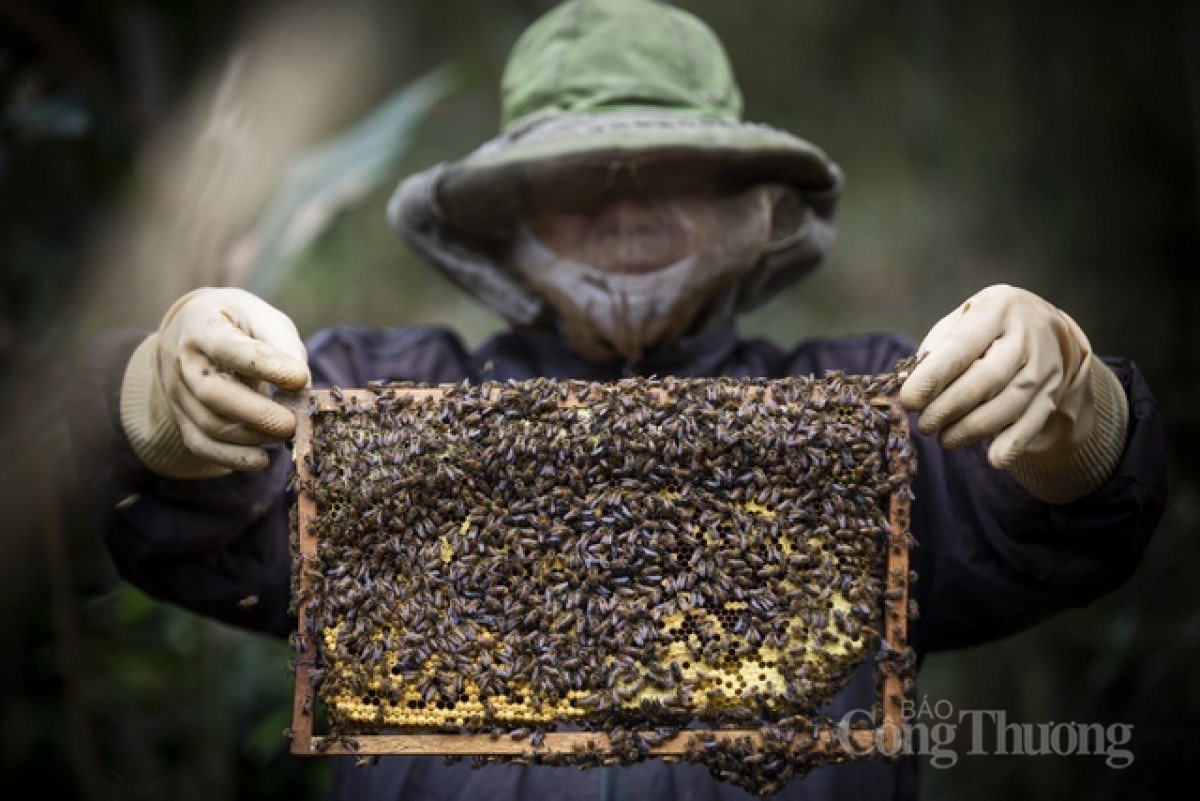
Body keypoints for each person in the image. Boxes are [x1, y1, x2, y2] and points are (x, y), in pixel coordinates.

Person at [66, 0, 1166, 798]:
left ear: (749, 202)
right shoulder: (367, 395)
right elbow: (195, 508)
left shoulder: (881, 410)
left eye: (669, 170)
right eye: (578, 181)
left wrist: (1077, 415)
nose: (622, 207)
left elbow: (1066, 521)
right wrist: (149, 406)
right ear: (508, 218)